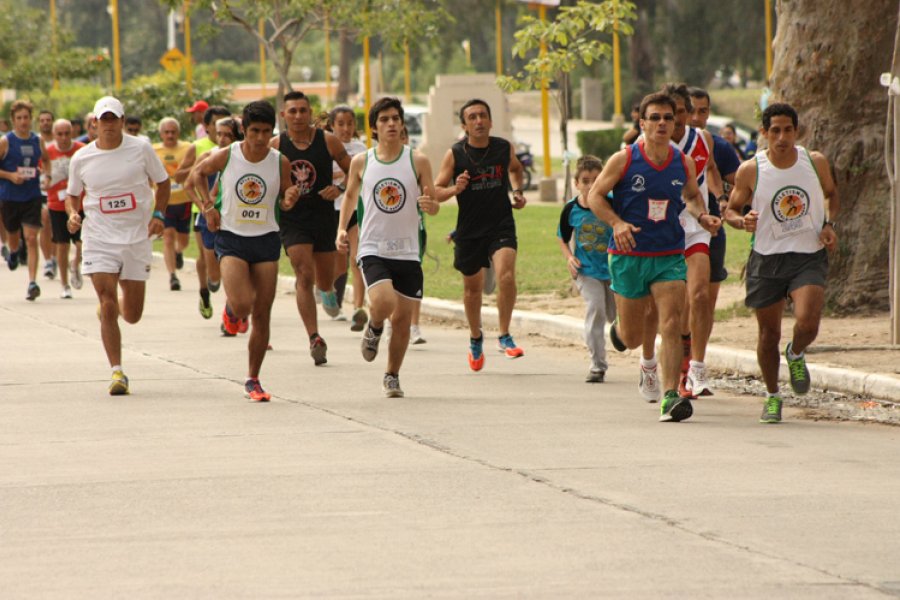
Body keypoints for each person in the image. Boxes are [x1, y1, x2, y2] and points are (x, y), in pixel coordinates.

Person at [587, 91, 720, 422]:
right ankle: (623, 335)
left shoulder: (683, 162)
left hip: (669, 252)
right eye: (655, 118)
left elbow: (692, 196)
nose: (662, 123)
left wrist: (702, 216)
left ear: (675, 123)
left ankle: (671, 396)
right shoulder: (623, 160)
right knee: (632, 338)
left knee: (671, 322)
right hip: (629, 254)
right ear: (642, 123)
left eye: (668, 118)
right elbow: (595, 196)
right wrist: (616, 223)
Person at [724, 102, 839, 424]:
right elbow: (731, 210)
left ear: (796, 131)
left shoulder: (814, 162)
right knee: (768, 335)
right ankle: (773, 395)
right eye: (775, 130)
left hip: (808, 254)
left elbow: (832, 194)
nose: (782, 137)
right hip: (767, 258)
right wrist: (741, 221)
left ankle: (796, 353)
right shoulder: (752, 169)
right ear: (764, 132)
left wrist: (829, 224)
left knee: (808, 321)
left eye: (788, 130)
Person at [190, 100, 300, 401]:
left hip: (266, 239)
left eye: (266, 131)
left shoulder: (280, 161)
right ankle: (231, 311)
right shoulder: (228, 155)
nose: (260, 138)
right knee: (242, 306)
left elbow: (285, 198)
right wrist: (208, 206)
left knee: (262, 313)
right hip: (232, 238)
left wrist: (290, 198)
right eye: (254, 131)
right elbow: (197, 175)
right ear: (244, 130)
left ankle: (253, 379)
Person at [64, 96, 171, 395]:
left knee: (133, 314)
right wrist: (73, 214)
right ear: (94, 123)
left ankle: (112, 310)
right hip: (98, 238)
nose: (108, 124)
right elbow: (72, 194)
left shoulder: (141, 148)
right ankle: (117, 372)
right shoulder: (82, 157)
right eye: (104, 119)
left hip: (136, 237)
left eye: (114, 118)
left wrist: (159, 215)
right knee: (107, 301)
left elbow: (163, 183)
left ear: (123, 121)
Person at [336, 97, 438, 397]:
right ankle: (375, 326)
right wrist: (341, 229)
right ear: (374, 128)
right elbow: (350, 197)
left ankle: (392, 375)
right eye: (384, 119)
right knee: (383, 301)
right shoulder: (362, 162)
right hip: (373, 246)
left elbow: (433, 204)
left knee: (403, 321)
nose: (391, 123)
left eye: (395, 118)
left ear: (402, 123)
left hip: (407, 249)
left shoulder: (418, 161)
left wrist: (430, 205)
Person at [434, 98, 527, 371]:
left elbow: (516, 169)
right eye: (472, 117)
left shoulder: (503, 147)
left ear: (491, 121)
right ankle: (476, 337)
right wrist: (455, 189)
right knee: (472, 290)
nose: (478, 121)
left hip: (501, 224)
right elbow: (436, 191)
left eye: (483, 115)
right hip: (469, 229)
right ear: (464, 125)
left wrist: (517, 192)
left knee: (506, 275)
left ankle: (504, 334)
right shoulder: (455, 154)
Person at [271, 90, 350, 366]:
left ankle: (327, 291)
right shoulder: (275, 145)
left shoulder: (327, 140)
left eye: (303, 110)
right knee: (304, 274)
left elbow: (356, 170)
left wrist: (339, 188)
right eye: (292, 111)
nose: (298, 116)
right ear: (284, 115)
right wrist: (282, 199)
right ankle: (314, 337)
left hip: (323, 217)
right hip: (293, 220)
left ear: (310, 113)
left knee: (324, 280)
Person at [661, 83, 725, 399]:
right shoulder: (651, 144)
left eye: (681, 112)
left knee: (699, 295)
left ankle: (697, 368)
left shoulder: (703, 139)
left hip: (696, 224)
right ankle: (664, 361)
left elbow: (711, 169)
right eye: (670, 113)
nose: (676, 119)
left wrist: (719, 199)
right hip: (662, 227)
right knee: (671, 306)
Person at [688, 86, 743, 389]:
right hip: (672, 231)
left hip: (710, 230)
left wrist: (727, 201)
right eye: (691, 111)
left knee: (703, 301)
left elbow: (742, 183)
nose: (697, 117)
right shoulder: (662, 143)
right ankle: (673, 361)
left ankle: (695, 366)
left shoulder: (717, 145)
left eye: (703, 111)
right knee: (676, 302)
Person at [557, 155, 615, 383]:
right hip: (586, 271)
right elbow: (562, 237)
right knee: (596, 309)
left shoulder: (613, 203)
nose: (591, 185)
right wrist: (569, 258)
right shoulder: (571, 209)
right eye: (585, 181)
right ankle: (597, 365)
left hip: (614, 270)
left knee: (617, 317)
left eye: (596, 180)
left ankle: (624, 340)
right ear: (576, 183)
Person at [175, 105, 232, 320]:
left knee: (229, 259)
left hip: (230, 213)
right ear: (207, 126)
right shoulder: (199, 147)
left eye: (225, 126)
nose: (221, 132)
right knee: (205, 257)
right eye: (216, 125)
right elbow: (182, 178)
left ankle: (232, 309)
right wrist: (200, 169)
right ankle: (204, 291)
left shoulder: (239, 149)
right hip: (201, 210)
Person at [184, 116, 242, 323]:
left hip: (234, 220)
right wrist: (204, 207)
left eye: (228, 135)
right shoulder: (208, 156)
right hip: (209, 220)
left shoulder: (243, 157)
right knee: (215, 275)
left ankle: (231, 314)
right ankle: (206, 290)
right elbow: (188, 185)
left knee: (232, 268)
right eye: (219, 134)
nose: (223, 139)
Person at [0, 100, 50, 300]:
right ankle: (13, 251)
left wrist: (47, 175)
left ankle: (32, 283)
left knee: (31, 238)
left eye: (26, 117)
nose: (23, 121)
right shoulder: (6, 141)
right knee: (14, 236)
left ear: (31, 119)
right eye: (19, 118)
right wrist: (10, 176)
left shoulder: (38, 140)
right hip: (10, 197)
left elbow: (46, 159)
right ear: (13, 120)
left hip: (32, 196)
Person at [327, 105, 368, 329]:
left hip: (355, 210)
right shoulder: (326, 146)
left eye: (350, 123)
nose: (345, 128)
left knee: (357, 259)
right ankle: (329, 296)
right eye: (340, 124)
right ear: (332, 125)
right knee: (339, 264)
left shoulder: (361, 149)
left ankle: (358, 309)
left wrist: (343, 177)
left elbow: (362, 177)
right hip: (332, 212)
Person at [45, 119, 85, 298]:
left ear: (72, 133)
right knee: (62, 245)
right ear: (54, 135)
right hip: (57, 204)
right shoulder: (47, 152)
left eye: (67, 133)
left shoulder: (81, 150)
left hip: (80, 204)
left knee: (82, 243)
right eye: (59, 134)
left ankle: (75, 264)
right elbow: (42, 175)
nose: (63, 138)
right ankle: (65, 285)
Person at [153, 117, 193, 292]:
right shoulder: (154, 150)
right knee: (168, 237)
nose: (170, 135)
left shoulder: (188, 148)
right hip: (165, 202)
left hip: (184, 201)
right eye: (166, 132)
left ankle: (178, 252)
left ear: (178, 133)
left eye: (173, 132)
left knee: (183, 241)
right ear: (161, 134)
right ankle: (172, 276)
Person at [37, 110, 57, 280]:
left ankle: (55, 257)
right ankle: (48, 261)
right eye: (42, 120)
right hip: (42, 189)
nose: (45, 123)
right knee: (44, 222)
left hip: (60, 190)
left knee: (56, 227)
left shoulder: (60, 140)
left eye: (48, 120)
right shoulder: (35, 142)